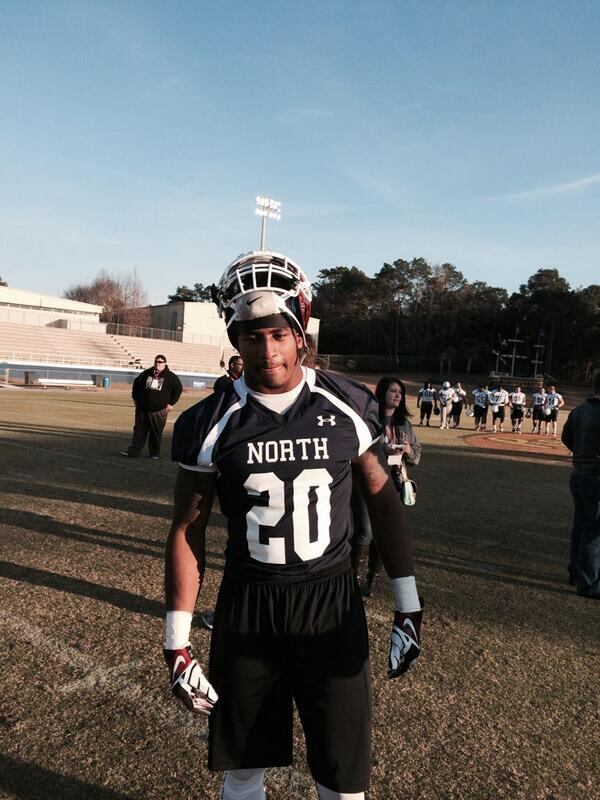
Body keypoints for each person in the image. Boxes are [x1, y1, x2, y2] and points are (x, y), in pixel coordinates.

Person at [163, 250, 423, 800]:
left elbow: (383, 502)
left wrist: (408, 602)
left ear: (300, 330)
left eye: (278, 333)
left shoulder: (348, 404)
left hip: (330, 601)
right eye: (253, 336)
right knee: (243, 768)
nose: (268, 350)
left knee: (343, 770)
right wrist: (176, 643)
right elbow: (188, 529)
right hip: (249, 604)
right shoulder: (209, 423)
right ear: (235, 338)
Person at [351, 376, 421, 597]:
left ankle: (373, 579)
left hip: (393, 482)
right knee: (365, 532)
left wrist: (408, 451)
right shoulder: (369, 420)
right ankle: (355, 579)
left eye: (400, 392)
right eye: (393, 391)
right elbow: (356, 448)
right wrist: (383, 450)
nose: (398, 395)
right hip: (366, 481)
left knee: (385, 532)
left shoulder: (404, 425)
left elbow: (416, 456)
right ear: (382, 394)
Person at [561, 370, 600, 599]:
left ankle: (575, 570)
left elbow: (567, 437)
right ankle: (589, 583)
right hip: (596, 477)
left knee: (581, 524)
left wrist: (582, 453)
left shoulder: (579, 411)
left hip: (579, 474)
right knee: (594, 531)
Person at [121, 354, 182, 459]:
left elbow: (178, 389)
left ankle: (154, 453)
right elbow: (136, 383)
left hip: (159, 411)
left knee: (156, 432)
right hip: (142, 409)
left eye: (160, 362)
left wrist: (171, 403)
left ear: (165, 363)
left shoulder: (171, 377)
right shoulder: (147, 373)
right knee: (139, 431)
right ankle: (133, 451)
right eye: (156, 361)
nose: (158, 363)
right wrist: (135, 398)